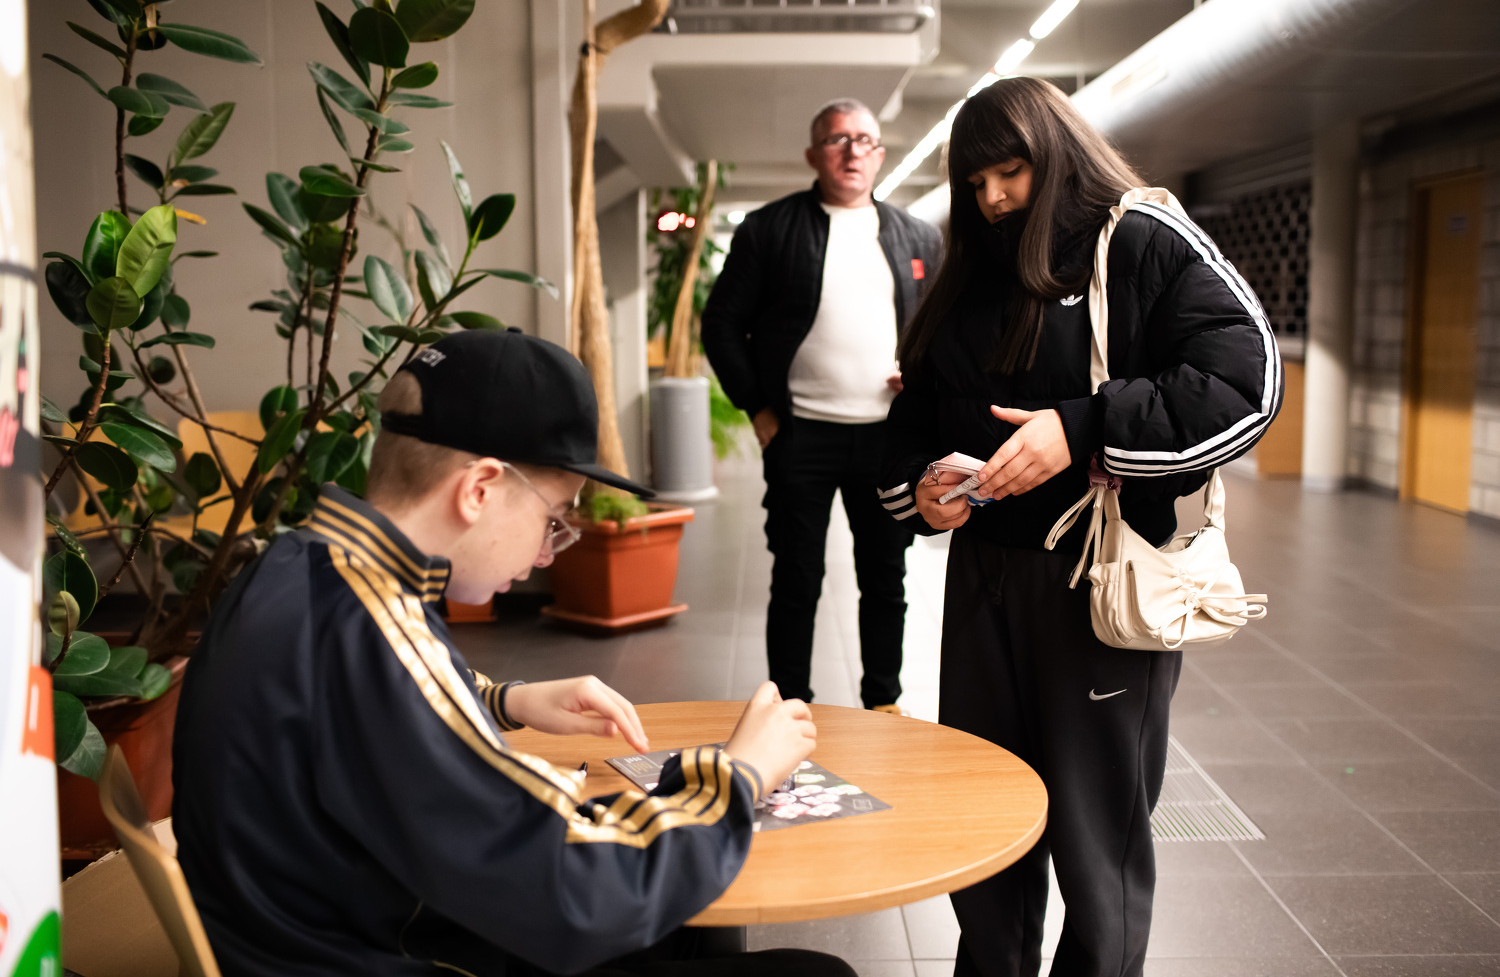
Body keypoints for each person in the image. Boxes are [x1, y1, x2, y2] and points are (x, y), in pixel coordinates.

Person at [172, 329, 856, 977]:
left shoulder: (295, 567)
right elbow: (577, 892)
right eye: (553, 519)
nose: (546, 555)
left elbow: (363, 705)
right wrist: (737, 774)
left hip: (326, 931)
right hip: (405, 953)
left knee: (689, 917)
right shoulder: (379, 629)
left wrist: (503, 700)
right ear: (478, 489)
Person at [879, 79, 1282, 977]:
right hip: (983, 579)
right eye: (975, 182)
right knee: (985, 819)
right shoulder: (969, 271)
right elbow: (913, 420)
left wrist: (1083, 426)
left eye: (1010, 172)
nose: (992, 198)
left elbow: (1244, 382)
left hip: (1097, 583)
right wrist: (921, 488)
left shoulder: (1140, 239)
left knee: (1097, 841)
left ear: (1056, 152)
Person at [702, 98, 942, 714]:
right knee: (797, 576)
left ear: (879, 155)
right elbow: (721, 324)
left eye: (865, 140)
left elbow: (943, 330)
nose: (852, 151)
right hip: (800, 434)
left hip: (888, 439)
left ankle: (883, 703)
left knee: (885, 577)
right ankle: (789, 705)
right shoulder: (770, 230)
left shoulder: (917, 236)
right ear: (814, 155)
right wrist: (758, 408)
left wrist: (922, 374)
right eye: (838, 140)